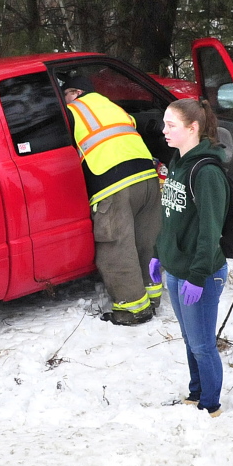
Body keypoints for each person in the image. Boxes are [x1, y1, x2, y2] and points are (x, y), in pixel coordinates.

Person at [151, 99, 229, 417]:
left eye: (171, 125)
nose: (164, 130)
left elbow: (210, 232)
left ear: (192, 128)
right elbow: (170, 217)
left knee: (202, 344)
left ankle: (210, 404)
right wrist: (159, 254)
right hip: (177, 268)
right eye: (165, 123)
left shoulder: (206, 172)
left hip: (202, 272)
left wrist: (198, 275)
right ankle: (195, 394)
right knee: (189, 339)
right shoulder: (178, 163)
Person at [62, 76, 162, 325]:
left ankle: (132, 309)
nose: (62, 101)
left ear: (75, 92)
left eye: (64, 94)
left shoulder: (73, 111)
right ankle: (153, 298)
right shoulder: (112, 106)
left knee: (117, 247)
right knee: (146, 242)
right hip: (147, 178)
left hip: (113, 183)